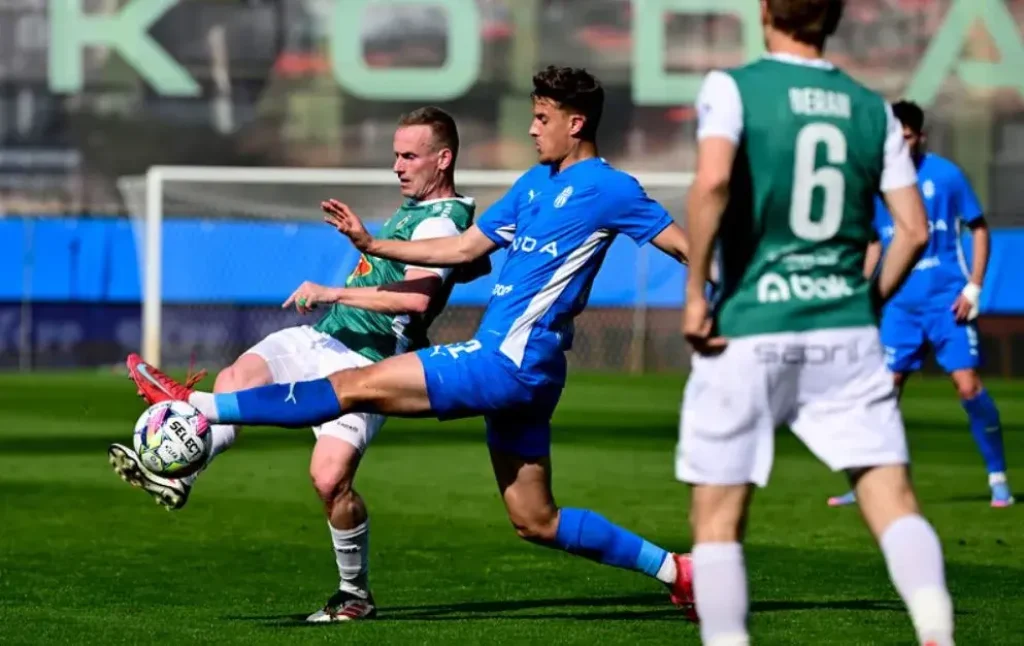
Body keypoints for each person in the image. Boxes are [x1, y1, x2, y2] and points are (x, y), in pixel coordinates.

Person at [123, 65, 699, 617]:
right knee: (535, 519)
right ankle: (679, 572)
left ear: (575, 123)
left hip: (505, 360)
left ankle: (196, 406)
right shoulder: (533, 185)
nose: (531, 128)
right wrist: (374, 248)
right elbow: (464, 250)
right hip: (532, 372)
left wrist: (729, 290)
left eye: (542, 118)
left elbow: (684, 247)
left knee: (352, 387)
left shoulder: (612, 188)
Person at [111, 106, 490, 622]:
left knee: (329, 479)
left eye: (409, 156)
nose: (397, 166)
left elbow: (416, 301)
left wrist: (331, 289)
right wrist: (463, 265)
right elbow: (467, 263)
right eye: (395, 154)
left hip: (370, 363)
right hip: (323, 337)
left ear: (442, 159)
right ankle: (182, 474)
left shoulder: (443, 218)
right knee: (237, 379)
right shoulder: (430, 209)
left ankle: (354, 594)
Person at [677, 1, 954, 645]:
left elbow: (713, 182)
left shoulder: (733, 87)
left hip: (749, 324)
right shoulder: (872, 109)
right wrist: (869, 303)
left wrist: (695, 292)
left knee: (718, 519)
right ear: (833, 17)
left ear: (766, 9)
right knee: (893, 501)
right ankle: (937, 632)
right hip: (846, 330)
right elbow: (911, 232)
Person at [827, 100, 1013, 509]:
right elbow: (877, 243)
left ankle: (998, 477)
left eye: (906, 136)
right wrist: (862, 292)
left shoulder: (946, 176)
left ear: (920, 136)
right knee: (884, 392)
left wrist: (974, 287)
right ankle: (864, 484)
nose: (899, 143)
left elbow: (979, 229)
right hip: (899, 306)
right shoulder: (878, 185)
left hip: (948, 303)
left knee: (968, 385)